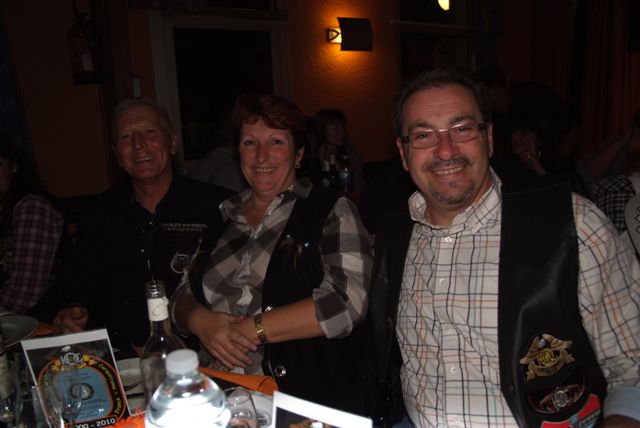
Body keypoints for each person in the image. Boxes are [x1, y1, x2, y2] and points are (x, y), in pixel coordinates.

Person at [367, 68, 640, 427]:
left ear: (490, 138)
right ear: (403, 154)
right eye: (423, 135)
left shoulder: (572, 224)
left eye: (462, 129)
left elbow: (633, 368)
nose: (445, 150)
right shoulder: (394, 236)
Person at [172, 94, 373, 414]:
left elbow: (347, 302)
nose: (261, 155)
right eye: (250, 142)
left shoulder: (330, 209)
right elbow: (180, 294)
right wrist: (199, 320)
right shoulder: (221, 217)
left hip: (299, 401)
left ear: (299, 153)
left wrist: (248, 330)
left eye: (276, 142)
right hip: (214, 394)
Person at [52, 98, 232, 352]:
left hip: (192, 353)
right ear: (117, 155)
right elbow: (76, 278)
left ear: (172, 143)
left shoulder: (216, 206)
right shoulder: (100, 212)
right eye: (126, 137)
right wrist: (72, 308)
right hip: (114, 353)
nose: (138, 144)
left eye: (150, 131)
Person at [0, 135, 64, 315]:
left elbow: (24, 292)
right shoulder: (4, 208)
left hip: (42, 320)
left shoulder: (32, 207)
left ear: (14, 166)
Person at [314, 108, 365, 198]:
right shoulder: (310, 158)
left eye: (343, 128)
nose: (342, 133)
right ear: (322, 130)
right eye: (336, 128)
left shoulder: (351, 157)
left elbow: (358, 189)